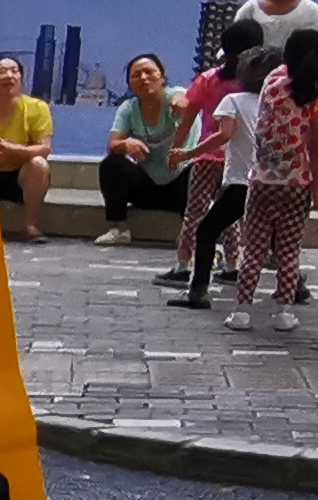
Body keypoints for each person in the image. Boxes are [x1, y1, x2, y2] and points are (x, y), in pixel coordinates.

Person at [232, 27, 318, 332]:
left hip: (262, 182)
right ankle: (283, 312)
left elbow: (292, 71)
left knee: (253, 250)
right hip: (297, 185)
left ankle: (242, 311)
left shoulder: (272, 81)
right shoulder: (317, 96)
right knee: (289, 252)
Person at [166, 35, 265, 311]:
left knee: (197, 215)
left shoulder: (211, 81)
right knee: (233, 222)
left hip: (209, 158)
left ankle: (185, 267)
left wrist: (180, 150)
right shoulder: (264, 93)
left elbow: (192, 118)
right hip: (248, 169)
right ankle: (233, 266)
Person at [92, 52, 189, 245]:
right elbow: (113, 144)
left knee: (202, 169)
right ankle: (119, 229)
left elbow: (183, 97)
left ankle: (190, 233)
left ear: (162, 76)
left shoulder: (174, 97)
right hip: (147, 186)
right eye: (136, 75)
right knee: (112, 164)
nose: (143, 78)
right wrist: (125, 144)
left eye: (149, 72)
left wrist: (181, 103)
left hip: (181, 184)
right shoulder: (128, 108)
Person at [0, 55, 55, 242]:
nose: (9, 76)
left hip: (20, 177)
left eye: (14, 71)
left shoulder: (38, 108)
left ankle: (31, 226)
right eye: (1, 72)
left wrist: (18, 151)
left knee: (38, 164)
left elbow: (44, 148)